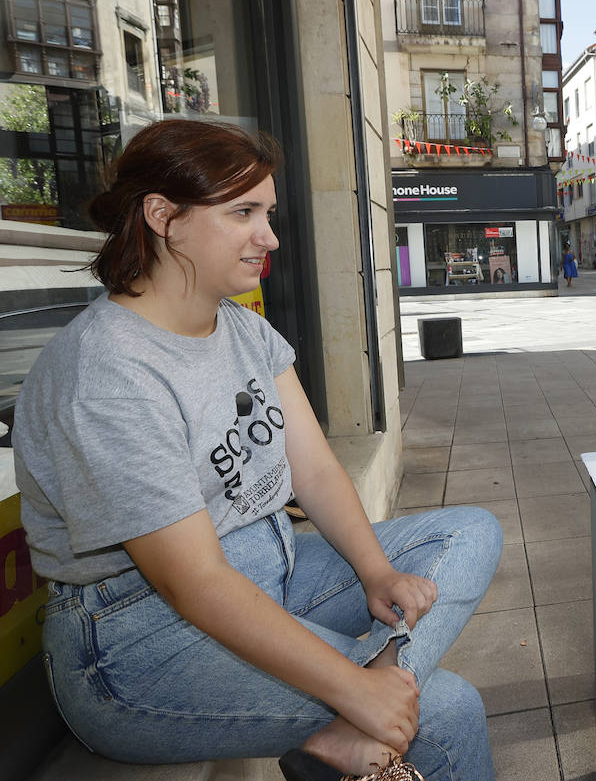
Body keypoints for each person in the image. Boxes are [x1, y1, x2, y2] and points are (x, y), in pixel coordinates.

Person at [12, 120, 501, 781]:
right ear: (164, 217)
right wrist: (349, 687)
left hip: (272, 568)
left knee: (473, 531)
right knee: (446, 710)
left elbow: (318, 468)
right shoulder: (106, 373)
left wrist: (375, 572)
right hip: (137, 642)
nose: (268, 237)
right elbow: (193, 583)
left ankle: (355, 713)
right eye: (243, 213)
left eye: (267, 213)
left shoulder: (242, 324)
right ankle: (360, 706)